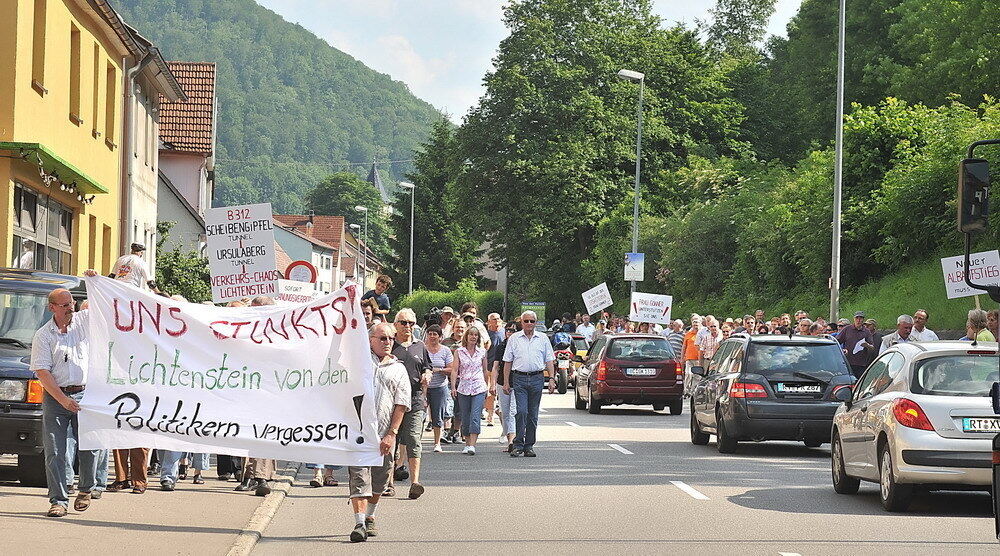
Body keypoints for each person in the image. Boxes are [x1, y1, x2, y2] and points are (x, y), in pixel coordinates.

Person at [31, 279, 104, 517]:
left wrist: (96, 281)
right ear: (52, 307)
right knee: (55, 450)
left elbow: (105, 306)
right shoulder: (43, 336)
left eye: (71, 303)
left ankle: (85, 489)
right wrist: (62, 399)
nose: (69, 308)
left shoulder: (83, 322)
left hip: (85, 394)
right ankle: (58, 500)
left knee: (90, 446)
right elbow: (42, 372)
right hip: (56, 397)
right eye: (64, 305)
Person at [348, 323, 410, 543]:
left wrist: (392, 434)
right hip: (358, 433)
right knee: (358, 478)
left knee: (379, 480)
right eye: (382, 338)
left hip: (385, 434)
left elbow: (401, 404)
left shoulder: (398, 368)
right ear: (370, 340)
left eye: (391, 339)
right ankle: (359, 523)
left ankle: (370, 515)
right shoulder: (359, 364)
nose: (387, 342)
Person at [236, 295, 278, 496]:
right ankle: (250, 475)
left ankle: (260, 476)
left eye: (255, 309)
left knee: (264, 433)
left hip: (269, 390)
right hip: (248, 387)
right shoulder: (247, 330)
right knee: (249, 434)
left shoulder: (277, 332)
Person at [389, 308, 431, 500]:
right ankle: (388, 482)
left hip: (414, 399)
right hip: (390, 401)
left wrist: (427, 374)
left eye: (411, 323)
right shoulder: (389, 344)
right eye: (404, 323)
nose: (408, 327)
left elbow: (427, 367)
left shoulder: (419, 346)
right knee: (391, 441)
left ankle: (415, 482)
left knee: (413, 439)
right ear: (395, 324)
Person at [502, 310, 555, 458]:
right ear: (521, 322)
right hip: (519, 378)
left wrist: (551, 379)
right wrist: (506, 382)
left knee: (533, 414)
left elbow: (549, 360)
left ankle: (529, 445)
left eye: (532, 321)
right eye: (526, 321)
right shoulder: (514, 339)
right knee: (521, 411)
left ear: (536, 323)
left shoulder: (543, 338)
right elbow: (507, 362)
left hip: (537, 378)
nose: (529, 324)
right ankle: (518, 444)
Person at [452, 326, 489, 455]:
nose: (473, 337)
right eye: (471, 335)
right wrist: (453, 387)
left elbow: (485, 370)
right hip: (463, 387)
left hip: (479, 387)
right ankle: (467, 443)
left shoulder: (482, 352)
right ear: (466, 337)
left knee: (475, 416)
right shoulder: (459, 352)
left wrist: (487, 387)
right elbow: (455, 370)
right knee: (465, 417)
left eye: (476, 335)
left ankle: (473, 445)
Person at [424, 325, 454, 453]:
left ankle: (437, 443)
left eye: (435, 334)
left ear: (440, 337)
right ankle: (416, 442)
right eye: (429, 334)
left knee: (438, 415)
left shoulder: (445, 350)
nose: (432, 336)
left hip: (439, 387)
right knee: (420, 415)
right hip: (424, 387)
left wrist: (439, 370)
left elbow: (451, 369)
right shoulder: (423, 349)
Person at [492, 323, 518, 452]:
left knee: (513, 412)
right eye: (508, 330)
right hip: (502, 383)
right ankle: (509, 442)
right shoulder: (501, 346)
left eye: (513, 330)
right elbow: (496, 367)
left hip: (518, 383)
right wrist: (492, 383)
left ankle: (513, 440)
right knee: (505, 412)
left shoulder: (520, 345)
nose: (509, 332)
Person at [838, 311, 875, 378]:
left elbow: (872, 347)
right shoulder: (847, 329)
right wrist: (842, 350)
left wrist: (867, 345)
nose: (858, 320)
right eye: (857, 318)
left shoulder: (866, 331)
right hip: (848, 363)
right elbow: (837, 342)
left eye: (860, 318)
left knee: (858, 383)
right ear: (854, 319)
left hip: (862, 364)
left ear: (863, 320)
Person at [484, 313, 505, 427]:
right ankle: (490, 414)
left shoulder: (504, 332)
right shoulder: (486, 334)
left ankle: (493, 414)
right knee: (489, 392)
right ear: (489, 322)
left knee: (497, 392)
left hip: (501, 367)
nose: (496, 321)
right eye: (494, 319)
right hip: (488, 366)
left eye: (498, 319)